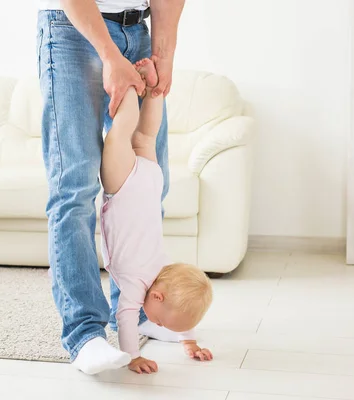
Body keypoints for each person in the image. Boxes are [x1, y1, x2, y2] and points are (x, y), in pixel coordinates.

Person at [37, 0, 185, 374]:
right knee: (75, 189)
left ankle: (138, 311)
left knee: (150, 184)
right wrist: (107, 52)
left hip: (137, 29)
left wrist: (163, 53)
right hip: (73, 29)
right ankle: (85, 334)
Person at [100, 58, 213, 374]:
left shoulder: (165, 268)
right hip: (125, 189)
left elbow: (180, 308)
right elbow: (124, 316)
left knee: (145, 137)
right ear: (158, 296)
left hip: (150, 184)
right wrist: (132, 356)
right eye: (159, 319)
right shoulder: (139, 285)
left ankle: (153, 90)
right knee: (118, 136)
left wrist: (187, 340)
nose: (154, 321)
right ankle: (132, 84)